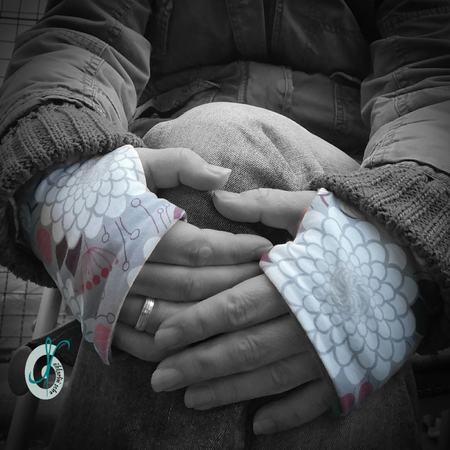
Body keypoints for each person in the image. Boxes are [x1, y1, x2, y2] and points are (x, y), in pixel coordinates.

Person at [0, 0, 448, 448]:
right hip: (155, 162)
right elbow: (85, 35)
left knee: (205, 171)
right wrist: (66, 172)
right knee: (194, 174)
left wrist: (409, 208)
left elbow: (434, 68)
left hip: (356, 176)